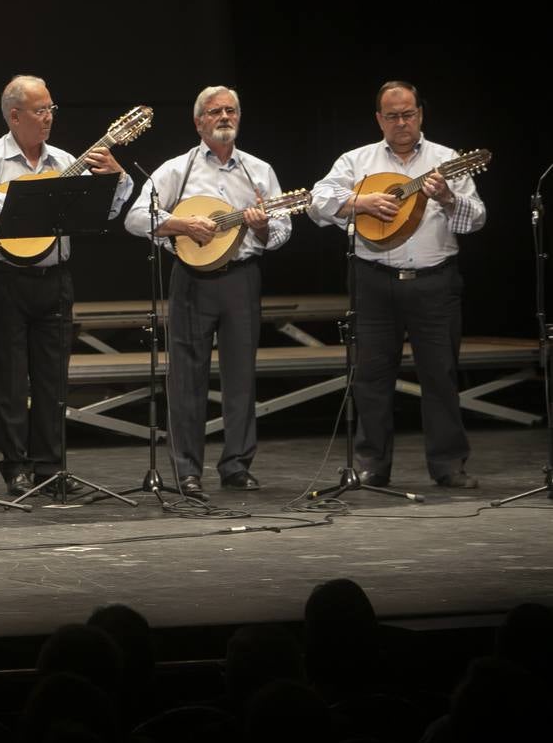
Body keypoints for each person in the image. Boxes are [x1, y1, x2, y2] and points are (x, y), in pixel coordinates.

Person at [0, 75, 133, 496]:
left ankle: (51, 466)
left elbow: (108, 211)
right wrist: (16, 202)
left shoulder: (65, 160)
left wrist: (118, 178)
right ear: (14, 115)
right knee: (9, 378)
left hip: (54, 279)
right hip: (2, 280)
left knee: (53, 378)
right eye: (39, 110)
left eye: (51, 109)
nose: (48, 118)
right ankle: (16, 467)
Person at [308, 80, 485, 489]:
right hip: (373, 281)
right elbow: (317, 203)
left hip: (434, 281)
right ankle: (372, 465)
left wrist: (448, 199)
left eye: (408, 114)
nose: (401, 122)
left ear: (420, 114)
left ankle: (448, 464)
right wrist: (359, 202)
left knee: (440, 374)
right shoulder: (358, 160)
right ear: (379, 119)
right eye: (392, 116)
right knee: (371, 375)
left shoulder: (447, 160)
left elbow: (476, 219)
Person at [124, 85, 289, 499]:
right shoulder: (177, 169)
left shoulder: (259, 171)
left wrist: (263, 226)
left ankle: (236, 465)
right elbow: (135, 217)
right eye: (215, 112)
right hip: (191, 279)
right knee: (186, 377)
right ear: (198, 122)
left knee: (241, 377)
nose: (224, 117)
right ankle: (186, 470)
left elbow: (284, 227)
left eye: (231, 110)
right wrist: (183, 226)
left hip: (241, 277)